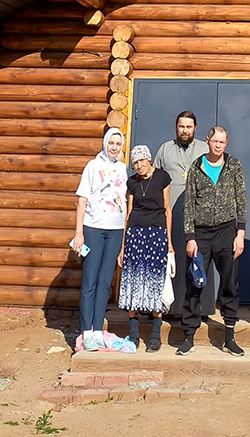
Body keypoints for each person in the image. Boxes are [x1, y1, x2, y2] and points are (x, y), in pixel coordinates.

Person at [179, 125, 247, 357]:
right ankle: (188, 336)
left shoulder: (234, 165)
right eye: (214, 141)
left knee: (230, 283)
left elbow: (242, 199)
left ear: (226, 143)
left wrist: (240, 233)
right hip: (201, 234)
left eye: (222, 142)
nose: (218, 145)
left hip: (227, 232)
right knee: (195, 283)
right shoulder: (197, 167)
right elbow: (188, 204)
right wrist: (190, 237)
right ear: (207, 141)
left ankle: (229, 336)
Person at [72, 129, 128, 350]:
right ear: (105, 143)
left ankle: (97, 328)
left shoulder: (123, 169)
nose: (114, 147)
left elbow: (126, 201)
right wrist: (79, 233)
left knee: (105, 282)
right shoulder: (92, 166)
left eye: (117, 143)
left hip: (115, 230)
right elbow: (82, 201)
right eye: (111, 143)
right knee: (90, 281)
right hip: (93, 228)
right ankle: (86, 331)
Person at [117, 144, 173, 352]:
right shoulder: (132, 182)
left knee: (154, 283)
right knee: (133, 283)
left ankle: (155, 337)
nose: (139, 166)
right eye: (135, 163)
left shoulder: (162, 178)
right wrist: (123, 246)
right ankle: (133, 336)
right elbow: (128, 213)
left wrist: (170, 243)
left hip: (157, 235)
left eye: (141, 161)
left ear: (149, 160)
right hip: (135, 235)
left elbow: (167, 210)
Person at [154, 112, 209, 316]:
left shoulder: (205, 149)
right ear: (176, 127)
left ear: (195, 128)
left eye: (189, 127)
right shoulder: (165, 149)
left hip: (198, 215)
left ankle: (197, 310)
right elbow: (155, 179)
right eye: (181, 126)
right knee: (172, 259)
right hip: (171, 214)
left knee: (196, 259)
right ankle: (170, 308)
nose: (185, 130)